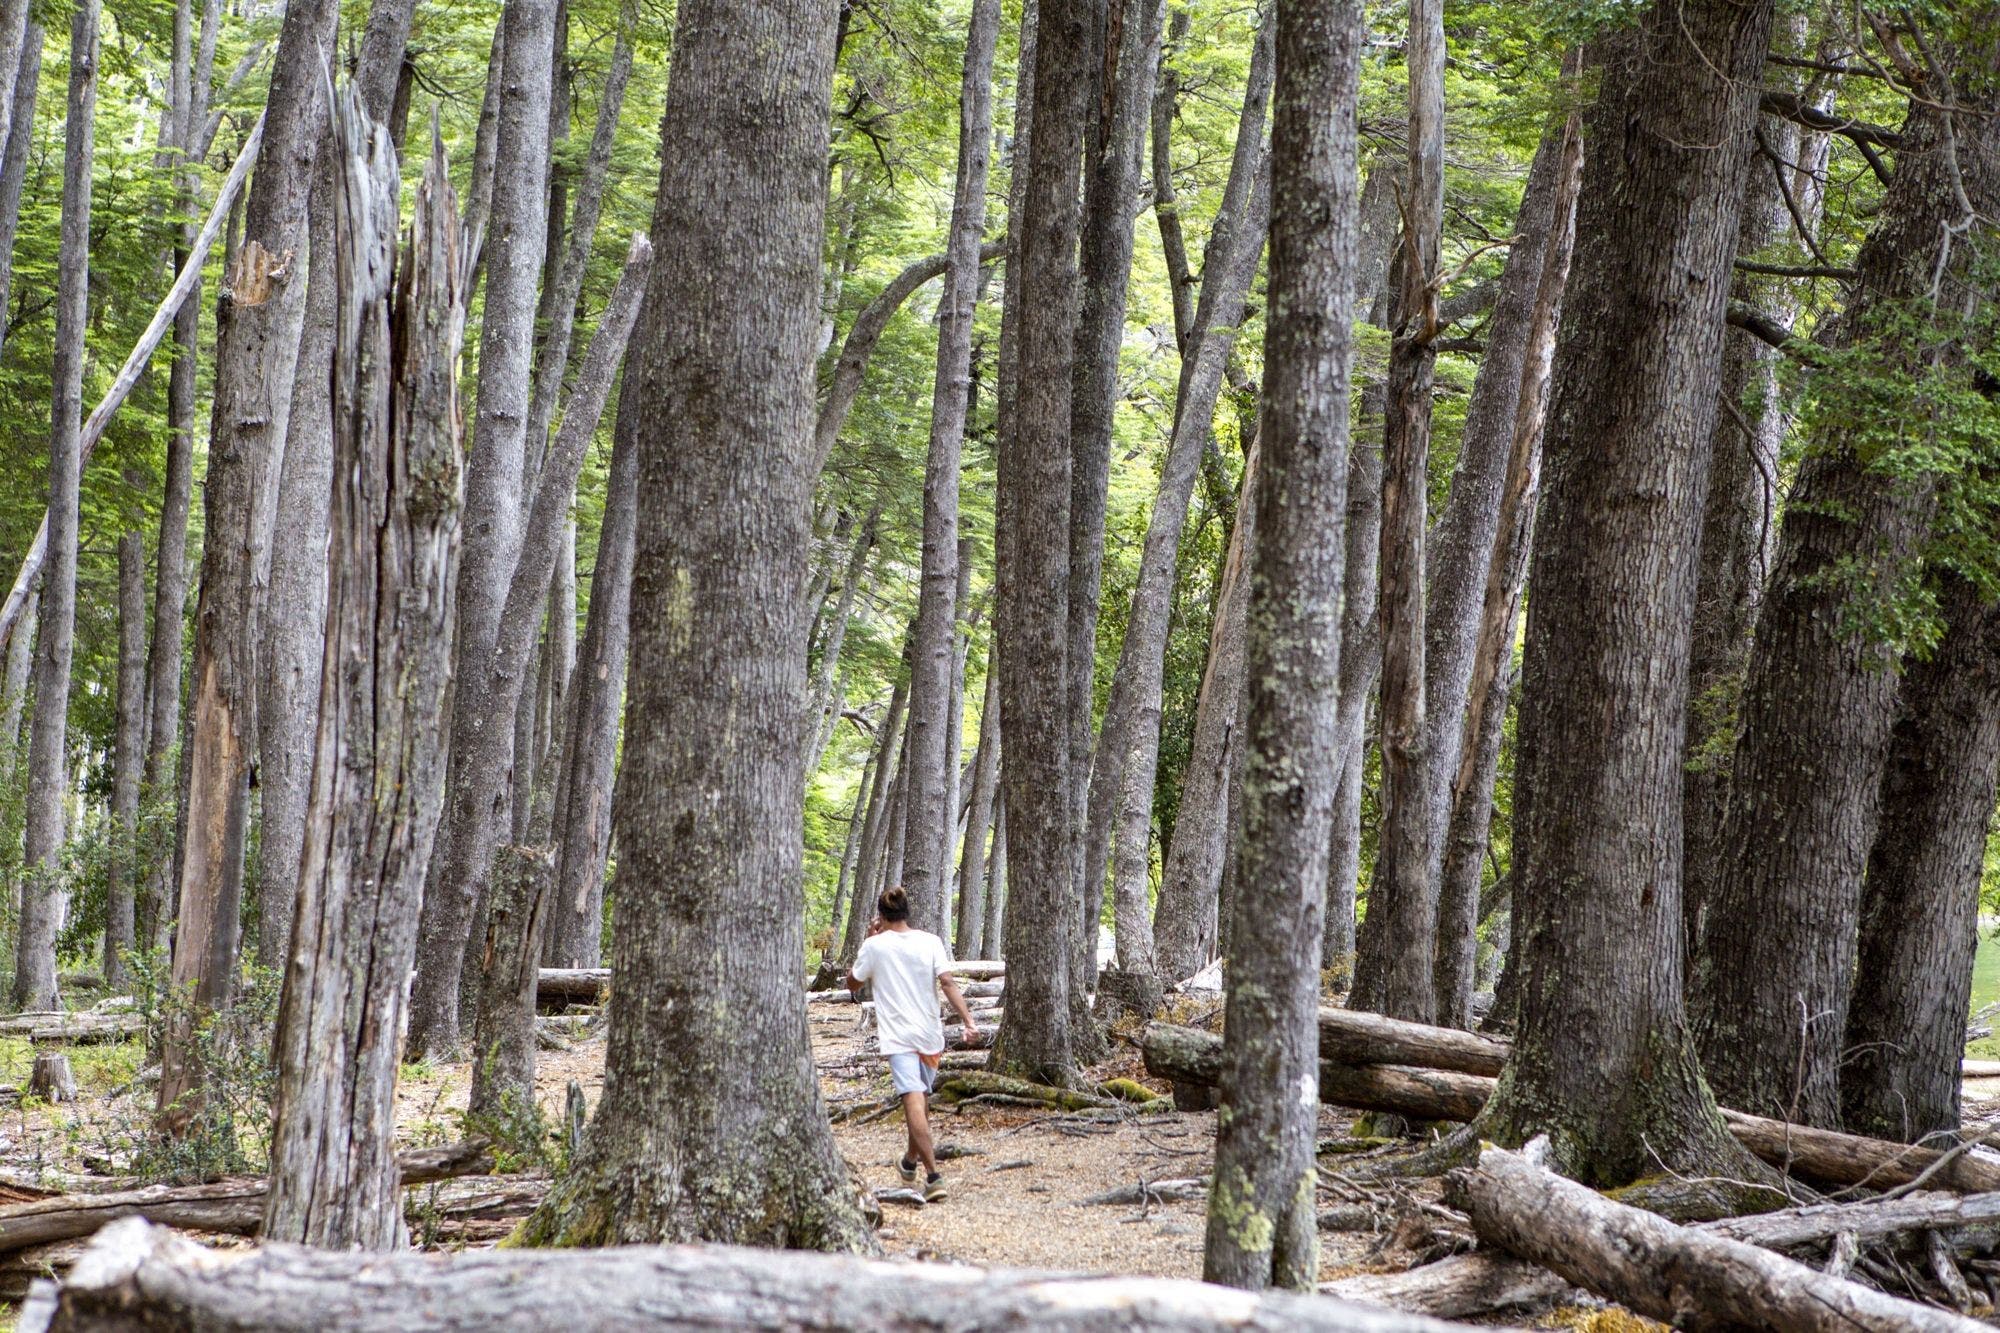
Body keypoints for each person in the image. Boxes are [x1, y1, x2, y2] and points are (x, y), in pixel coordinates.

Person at [847, 886, 979, 1201]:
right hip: (930, 1036)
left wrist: (868, 941)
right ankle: (909, 1163)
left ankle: (933, 1177)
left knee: (914, 1102)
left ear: (880, 916)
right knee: (918, 1102)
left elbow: (852, 983)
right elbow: (947, 982)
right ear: (907, 913)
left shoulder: (874, 946)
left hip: (899, 1038)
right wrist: (968, 1021)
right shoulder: (930, 942)